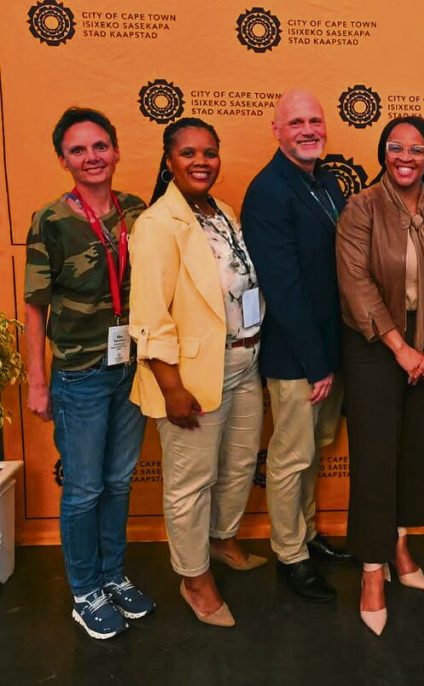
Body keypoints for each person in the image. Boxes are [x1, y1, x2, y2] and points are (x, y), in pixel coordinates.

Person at [24, 107, 155, 640]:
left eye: (100, 146)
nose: (92, 157)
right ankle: (84, 590)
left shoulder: (136, 211)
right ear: (63, 160)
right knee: (83, 487)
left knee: (119, 480)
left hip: (131, 367)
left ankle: (112, 575)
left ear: (116, 150)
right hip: (79, 372)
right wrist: (37, 380)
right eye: (78, 150)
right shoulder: (51, 220)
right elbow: (35, 305)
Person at [337, 115, 424, 635]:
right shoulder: (361, 207)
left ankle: (397, 543)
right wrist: (400, 348)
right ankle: (372, 571)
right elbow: (355, 282)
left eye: (417, 149)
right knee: (374, 457)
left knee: (415, 451)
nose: (406, 157)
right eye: (396, 147)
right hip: (376, 347)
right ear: (383, 152)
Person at [129, 118, 264, 628]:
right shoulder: (157, 224)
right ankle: (193, 576)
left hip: (245, 359)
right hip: (190, 374)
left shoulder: (222, 211)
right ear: (168, 161)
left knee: (236, 464)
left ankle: (223, 539)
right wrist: (170, 386)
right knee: (191, 481)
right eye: (188, 153)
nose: (201, 161)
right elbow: (148, 314)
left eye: (209, 152)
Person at [241, 90, 351, 603]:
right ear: (277, 130)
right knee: (290, 458)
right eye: (297, 123)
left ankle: (307, 534)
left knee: (312, 454)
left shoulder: (324, 181)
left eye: (315, 121)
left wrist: (331, 357)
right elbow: (282, 288)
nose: (308, 130)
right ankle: (290, 556)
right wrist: (315, 363)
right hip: (297, 357)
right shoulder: (268, 191)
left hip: (329, 351)